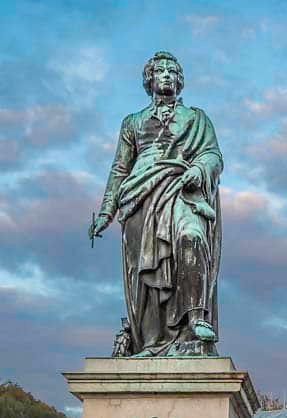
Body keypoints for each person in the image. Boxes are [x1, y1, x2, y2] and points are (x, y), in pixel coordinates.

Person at [90, 51, 222, 357]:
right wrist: (107, 211)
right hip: (139, 198)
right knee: (145, 275)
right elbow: (120, 168)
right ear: (149, 80)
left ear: (180, 81)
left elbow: (214, 155)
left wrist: (200, 169)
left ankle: (196, 318)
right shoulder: (133, 123)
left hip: (181, 188)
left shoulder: (197, 119)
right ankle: (152, 341)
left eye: (172, 71)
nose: (166, 75)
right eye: (160, 71)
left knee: (192, 236)